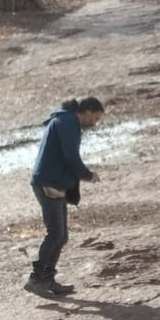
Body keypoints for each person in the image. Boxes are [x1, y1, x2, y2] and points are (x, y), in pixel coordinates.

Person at [25, 96, 105, 297]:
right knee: (55, 234)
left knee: (61, 236)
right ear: (86, 111)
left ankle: (47, 280)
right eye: (95, 118)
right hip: (48, 182)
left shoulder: (64, 120)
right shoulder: (69, 121)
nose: (94, 123)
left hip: (52, 182)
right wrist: (86, 174)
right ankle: (36, 280)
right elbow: (70, 155)